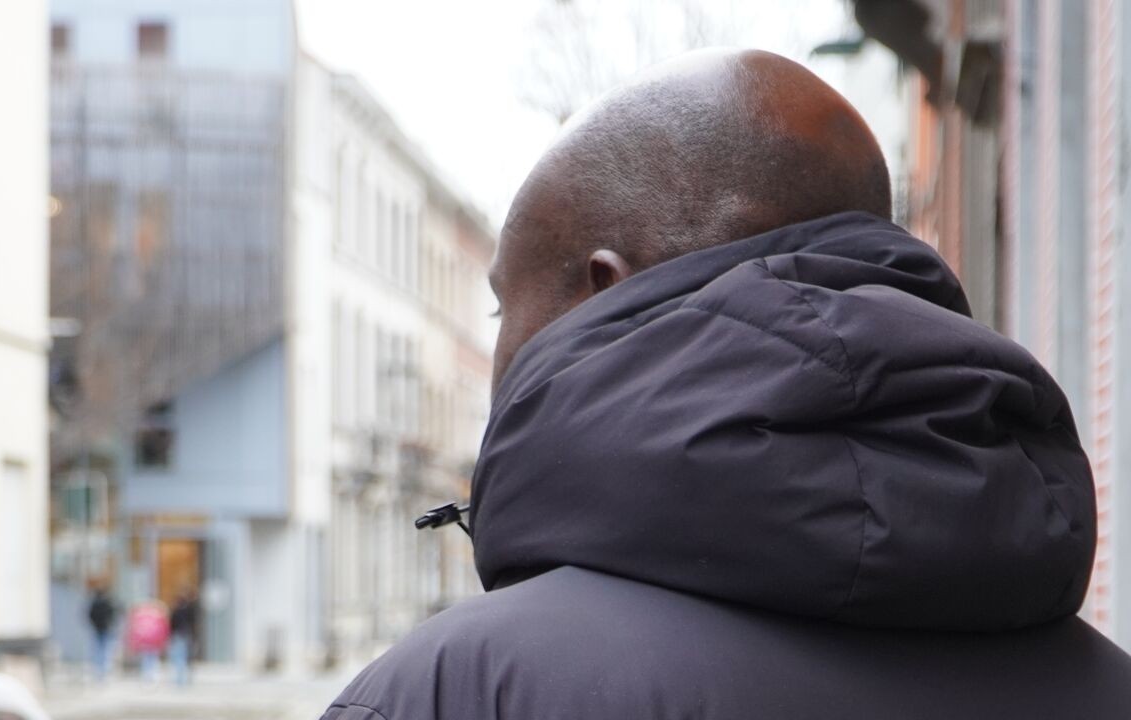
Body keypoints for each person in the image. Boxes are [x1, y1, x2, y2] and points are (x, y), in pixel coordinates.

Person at [321, 49, 1131, 719]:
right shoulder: (1107, 686)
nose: (499, 346)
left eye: (505, 303)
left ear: (604, 291)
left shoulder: (458, 693)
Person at [125, 600, 169, 682]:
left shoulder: (139, 616)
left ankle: (146, 676)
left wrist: (133, 642)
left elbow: (133, 630)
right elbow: (164, 629)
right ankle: (152, 675)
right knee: (153, 658)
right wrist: (164, 641)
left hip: (144, 641)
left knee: (145, 659)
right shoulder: (158, 616)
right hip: (155, 641)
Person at [85, 581, 117, 682]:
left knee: (98, 650)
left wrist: (94, 624)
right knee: (106, 650)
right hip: (106, 629)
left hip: (98, 629)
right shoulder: (109, 602)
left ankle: (99, 671)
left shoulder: (95, 603)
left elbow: (90, 616)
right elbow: (113, 615)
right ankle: (104, 671)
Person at [168, 590, 199, 687]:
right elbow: (194, 623)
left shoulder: (176, 611)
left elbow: (172, 624)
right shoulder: (190, 610)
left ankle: (180, 679)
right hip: (187, 634)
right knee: (186, 657)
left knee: (179, 657)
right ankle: (185, 677)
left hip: (178, 635)